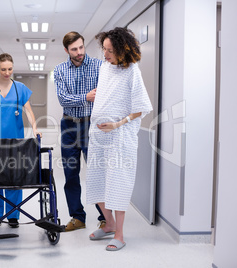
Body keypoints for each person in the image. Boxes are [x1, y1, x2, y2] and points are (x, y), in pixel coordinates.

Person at [86, 27, 152, 251]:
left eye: (110, 50)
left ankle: (120, 235)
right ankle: (109, 224)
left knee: (118, 184)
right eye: (104, 49)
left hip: (120, 137)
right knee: (96, 182)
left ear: (123, 50)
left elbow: (140, 108)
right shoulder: (105, 68)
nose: (105, 54)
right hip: (98, 137)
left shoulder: (132, 71)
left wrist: (116, 124)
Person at [0, 53, 41, 228]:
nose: (6, 72)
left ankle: (13, 214)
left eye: (10, 69)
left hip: (15, 140)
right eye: (3, 69)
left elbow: (28, 110)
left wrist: (34, 127)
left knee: (14, 177)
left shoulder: (20, 88)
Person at [54, 31, 105, 232]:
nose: (79, 52)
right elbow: (62, 99)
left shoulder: (99, 66)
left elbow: (103, 95)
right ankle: (77, 217)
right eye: (74, 49)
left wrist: (85, 98)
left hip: (92, 125)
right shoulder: (59, 70)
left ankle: (104, 217)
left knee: (97, 173)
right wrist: (86, 96)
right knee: (70, 174)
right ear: (66, 50)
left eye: (81, 47)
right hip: (68, 126)